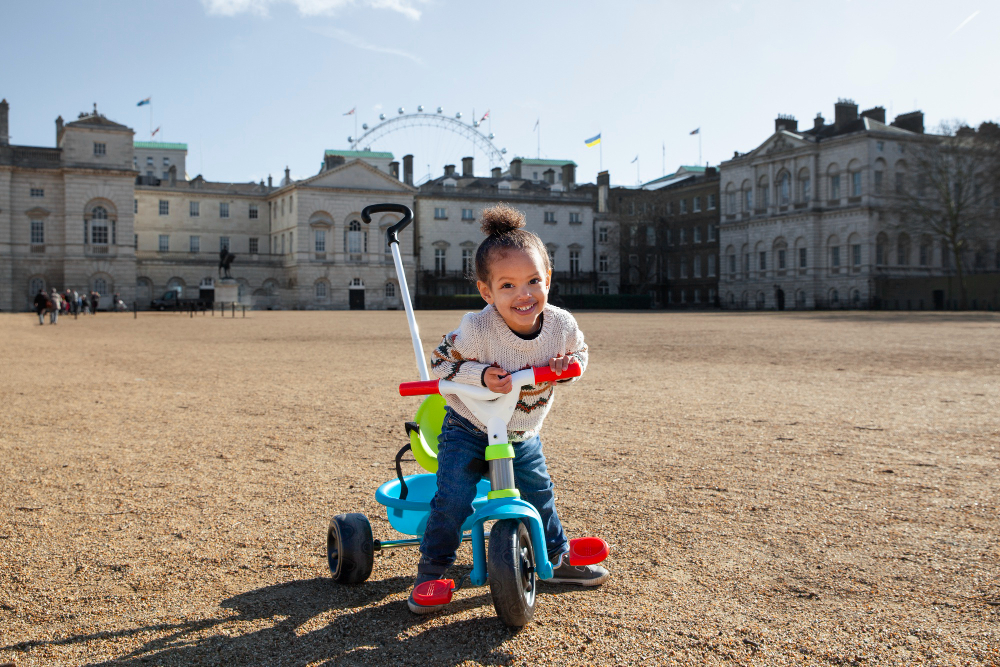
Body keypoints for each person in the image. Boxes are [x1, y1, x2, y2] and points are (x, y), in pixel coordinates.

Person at [408, 204, 608, 614]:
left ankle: (556, 555)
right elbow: (441, 363)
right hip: (469, 426)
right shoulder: (477, 328)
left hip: (521, 431)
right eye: (508, 286)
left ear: (548, 279)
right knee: (453, 499)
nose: (524, 294)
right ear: (487, 291)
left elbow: (580, 353)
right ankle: (433, 571)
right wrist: (480, 375)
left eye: (534, 281)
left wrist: (566, 369)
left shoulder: (560, 325)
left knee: (540, 494)